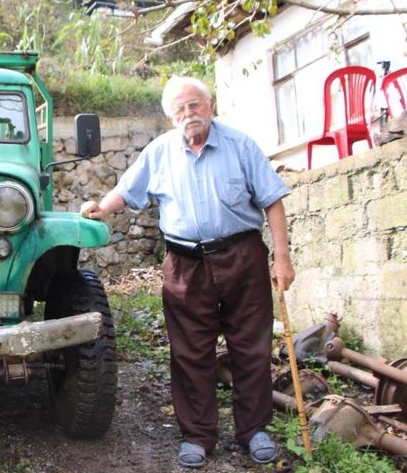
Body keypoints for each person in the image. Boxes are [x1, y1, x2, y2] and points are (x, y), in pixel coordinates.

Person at [80, 76, 295, 468]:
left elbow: (273, 201)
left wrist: (282, 258)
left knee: (251, 344)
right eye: (179, 109)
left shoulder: (241, 145)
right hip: (184, 263)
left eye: (194, 105)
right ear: (169, 117)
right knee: (189, 351)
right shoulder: (160, 152)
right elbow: (128, 191)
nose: (188, 114)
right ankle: (198, 434)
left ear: (210, 105)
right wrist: (100, 207)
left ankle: (254, 429)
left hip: (241, 255)